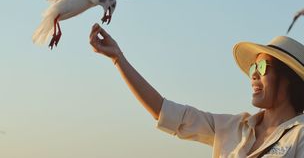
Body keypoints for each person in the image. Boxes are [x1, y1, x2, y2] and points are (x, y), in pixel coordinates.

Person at [89, 23, 304, 157]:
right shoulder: (232, 127)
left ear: (289, 80)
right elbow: (165, 112)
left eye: (264, 67)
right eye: (253, 67)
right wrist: (119, 59)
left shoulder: (300, 135)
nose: (254, 74)